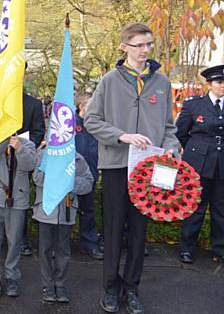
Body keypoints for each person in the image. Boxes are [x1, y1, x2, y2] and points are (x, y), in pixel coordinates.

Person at [84, 22, 180, 314]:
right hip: (116, 166)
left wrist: (171, 149)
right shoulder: (109, 81)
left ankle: (132, 288)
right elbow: (91, 121)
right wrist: (121, 136)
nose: (145, 50)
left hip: (150, 169)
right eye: (139, 45)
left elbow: (168, 127)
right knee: (113, 231)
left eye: (149, 44)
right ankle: (111, 289)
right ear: (124, 47)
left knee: (140, 232)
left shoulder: (162, 83)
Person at [0, 67, 46, 255]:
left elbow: (38, 131)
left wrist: (23, 145)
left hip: (21, 156)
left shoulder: (33, 103)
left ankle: (21, 240)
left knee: (19, 201)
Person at [176, 65, 224, 264]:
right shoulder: (194, 105)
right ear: (210, 84)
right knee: (195, 205)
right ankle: (187, 248)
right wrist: (196, 150)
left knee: (221, 209)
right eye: (219, 82)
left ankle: (219, 248)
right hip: (199, 163)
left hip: (222, 164)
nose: (222, 86)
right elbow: (181, 133)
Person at [33, 151, 94, 303]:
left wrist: (69, 181)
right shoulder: (44, 155)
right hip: (46, 210)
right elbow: (37, 178)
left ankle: (60, 284)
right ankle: (47, 285)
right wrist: (58, 176)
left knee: (63, 250)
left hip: (67, 212)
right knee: (45, 249)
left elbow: (88, 183)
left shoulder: (78, 158)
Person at [0, 133, 36, 298]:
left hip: (18, 198)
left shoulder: (27, 143)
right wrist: (4, 140)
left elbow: (30, 165)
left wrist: (19, 148)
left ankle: (11, 275)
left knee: (14, 240)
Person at [75, 92, 104, 260]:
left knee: (88, 210)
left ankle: (89, 243)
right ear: (82, 107)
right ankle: (59, 245)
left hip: (90, 174)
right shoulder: (69, 122)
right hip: (70, 174)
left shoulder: (97, 125)